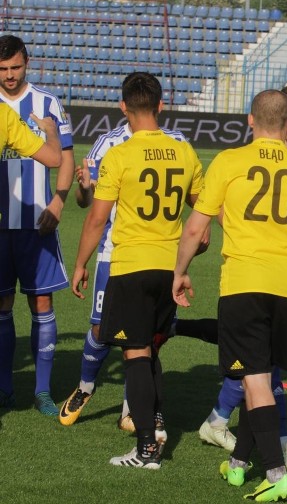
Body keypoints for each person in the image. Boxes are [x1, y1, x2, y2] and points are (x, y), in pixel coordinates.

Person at [173, 89, 287, 502]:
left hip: (244, 283)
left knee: (254, 379)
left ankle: (276, 472)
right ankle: (237, 465)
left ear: (251, 120)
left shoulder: (230, 161)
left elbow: (195, 228)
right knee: (261, 375)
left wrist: (179, 272)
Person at [71, 72, 203, 469]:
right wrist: (198, 240)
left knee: (135, 352)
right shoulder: (183, 150)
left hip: (129, 264)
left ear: (124, 107)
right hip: (171, 265)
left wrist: (80, 263)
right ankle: (153, 423)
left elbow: (96, 219)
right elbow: (203, 203)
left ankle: (146, 448)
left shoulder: (120, 154)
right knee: (154, 345)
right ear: (161, 106)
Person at [57, 121, 190, 428]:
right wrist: (85, 187)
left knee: (149, 335)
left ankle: (132, 408)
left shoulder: (177, 141)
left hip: (162, 252)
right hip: (113, 250)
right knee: (102, 329)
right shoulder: (109, 143)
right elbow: (85, 203)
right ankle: (85, 387)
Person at [0, 34, 73, 416]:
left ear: (27, 62)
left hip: (36, 221)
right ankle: (5, 387)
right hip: (0, 226)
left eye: (15, 67)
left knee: (40, 301)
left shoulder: (47, 103)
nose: (10, 76)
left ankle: (42, 392)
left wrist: (59, 201)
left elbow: (65, 156)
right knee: (3, 304)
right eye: (3, 69)